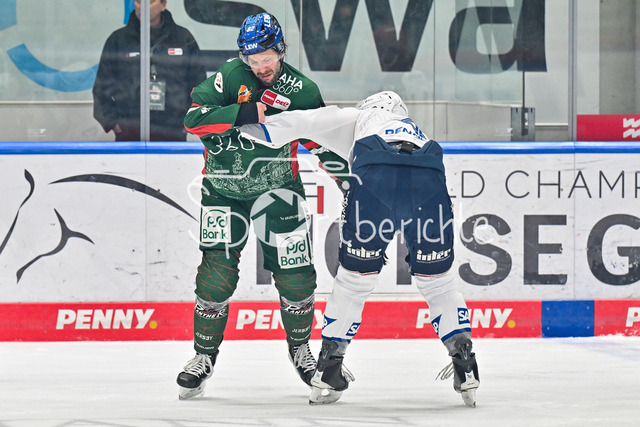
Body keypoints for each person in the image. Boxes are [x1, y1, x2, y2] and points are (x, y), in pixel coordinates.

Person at [237, 91, 480, 407]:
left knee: (353, 283)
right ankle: (465, 361)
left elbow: (299, 122)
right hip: (428, 182)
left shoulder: (359, 117)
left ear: (371, 105)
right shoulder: (414, 131)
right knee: (439, 284)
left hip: (376, 182)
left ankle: (329, 369)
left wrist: (239, 123)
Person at [175, 12, 348, 400]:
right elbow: (193, 120)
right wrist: (243, 112)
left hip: (279, 191)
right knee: (215, 274)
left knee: (297, 275)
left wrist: (348, 181)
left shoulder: (302, 91)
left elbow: (321, 142)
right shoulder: (228, 76)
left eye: (266, 58)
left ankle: (301, 350)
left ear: (281, 50)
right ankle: (203, 356)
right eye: (252, 60)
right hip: (223, 190)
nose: (260, 67)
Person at [92, 0, 205, 141]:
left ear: (163, 4)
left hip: (172, 132)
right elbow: (102, 87)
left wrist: (189, 122)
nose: (143, 6)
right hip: (129, 133)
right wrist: (113, 123)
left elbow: (199, 84)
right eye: (139, 2)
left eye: (150, 2)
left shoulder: (182, 39)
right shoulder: (118, 40)